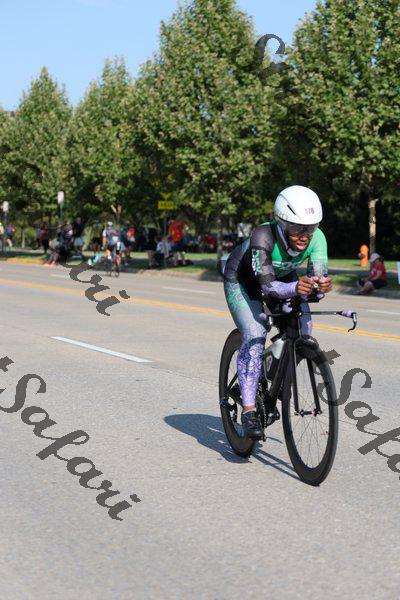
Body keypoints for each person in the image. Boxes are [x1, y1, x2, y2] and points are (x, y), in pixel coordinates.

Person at [223, 185, 333, 439]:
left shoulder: (318, 238)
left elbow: (315, 284)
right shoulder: (263, 235)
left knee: (304, 328)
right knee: (255, 333)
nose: (304, 235)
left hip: (283, 279)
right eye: (297, 228)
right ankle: (249, 410)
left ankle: (276, 379)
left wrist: (321, 287)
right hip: (244, 280)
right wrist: (297, 287)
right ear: (281, 222)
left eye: (310, 227)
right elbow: (269, 287)